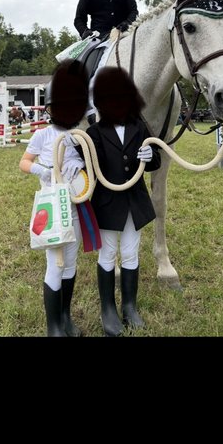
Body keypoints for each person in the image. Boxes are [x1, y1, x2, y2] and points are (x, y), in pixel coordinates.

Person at [73, 67, 161, 336]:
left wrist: (150, 156)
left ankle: (130, 306)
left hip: (134, 201)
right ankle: (108, 308)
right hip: (108, 203)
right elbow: (89, 163)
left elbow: (155, 160)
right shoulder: (94, 132)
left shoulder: (139, 127)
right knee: (108, 253)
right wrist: (74, 144)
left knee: (131, 252)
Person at [19, 100, 98, 337]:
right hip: (53, 206)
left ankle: (65, 316)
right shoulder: (42, 135)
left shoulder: (79, 137)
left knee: (70, 263)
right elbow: (24, 162)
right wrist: (42, 170)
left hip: (76, 206)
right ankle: (53, 326)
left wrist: (79, 160)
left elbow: (92, 162)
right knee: (55, 265)